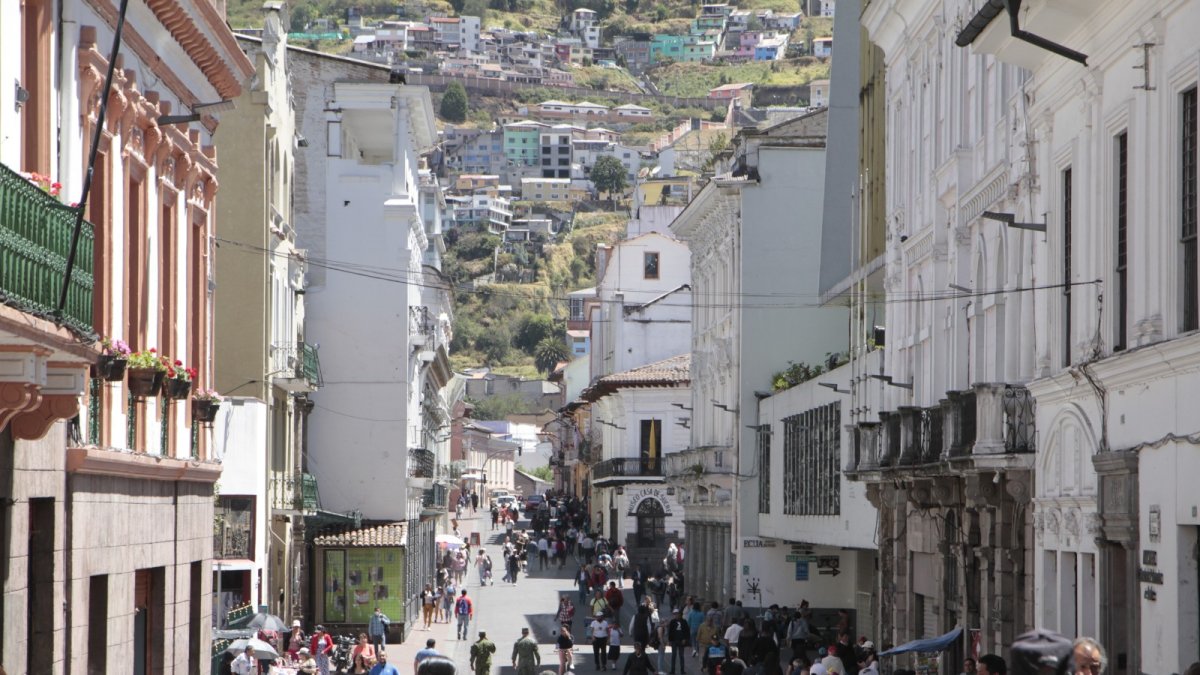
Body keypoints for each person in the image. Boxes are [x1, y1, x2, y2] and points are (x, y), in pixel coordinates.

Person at [667, 607, 691, 675]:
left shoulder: (684, 621)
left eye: (677, 614)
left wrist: (685, 639)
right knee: (673, 656)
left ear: (680, 614)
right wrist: (670, 640)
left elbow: (687, 631)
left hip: (681, 641)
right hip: (674, 640)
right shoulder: (672, 622)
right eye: (674, 614)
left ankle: (682, 670)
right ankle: (672, 670)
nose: (676, 615)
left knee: (681, 656)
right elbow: (670, 632)